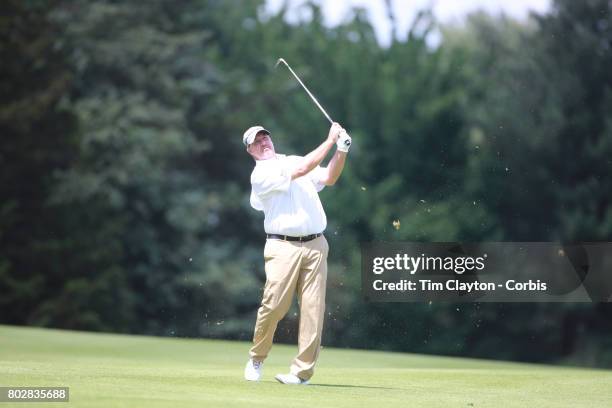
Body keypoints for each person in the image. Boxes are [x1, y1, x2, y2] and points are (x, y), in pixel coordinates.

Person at [242, 122, 351, 385]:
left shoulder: (293, 159)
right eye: (257, 142)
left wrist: (341, 150)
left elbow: (329, 178)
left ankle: (302, 373)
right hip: (282, 246)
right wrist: (329, 140)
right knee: (275, 305)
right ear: (250, 150)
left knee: (314, 309)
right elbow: (304, 168)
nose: (264, 143)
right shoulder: (260, 175)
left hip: (316, 245)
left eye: (265, 137)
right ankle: (257, 357)